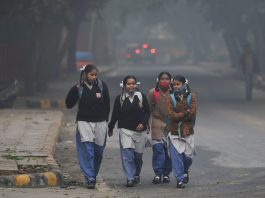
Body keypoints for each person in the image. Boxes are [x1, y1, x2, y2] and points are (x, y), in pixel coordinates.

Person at [65, 64, 110, 189]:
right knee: (87, 150)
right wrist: (73, 91)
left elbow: (107, 104)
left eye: (95, 75)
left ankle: (92, 174)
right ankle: (90, 177)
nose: (94, 77)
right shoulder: (79, 88)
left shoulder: (102, 86)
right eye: (91, 75)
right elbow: (68, 104)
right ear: (85, 74)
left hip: (100, 123)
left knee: (98, 153)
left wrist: (106, 121)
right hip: (84, 122)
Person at [108, 75, 150, 187]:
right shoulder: (120, 99)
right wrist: (111, 127)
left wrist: (143, 123)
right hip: (125, 130)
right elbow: (115, 114)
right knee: (127, 155)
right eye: (129, 84)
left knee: (137, 157)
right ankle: (130, 177)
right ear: (124, 85)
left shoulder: (141, 97)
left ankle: (136, 174)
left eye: (133, 83)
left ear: (136, 85)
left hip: (140, 131)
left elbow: (147, 111)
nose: (131, 86)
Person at [166, 75, 197, 189]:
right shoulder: (170, 98)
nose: (175, 87)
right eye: (174, 85)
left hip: (188, 131)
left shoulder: (192, 97)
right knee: (176, 156)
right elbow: (171, 115)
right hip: (174, 132)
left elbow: (192, 113)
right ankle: (179, 179)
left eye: (178, 84)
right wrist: (185, 113)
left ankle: (185, 170)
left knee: (188, 157)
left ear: (184, 84)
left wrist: (179, 115)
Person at [147, 72, 172, 184]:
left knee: (169, 151)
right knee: (158, 149)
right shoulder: (153, 93)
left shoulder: (174, 92)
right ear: (158, 80)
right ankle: (158, 173)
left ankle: (166, 174)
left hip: (171, 124)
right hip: (157, 123)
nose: (165, 81)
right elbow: (147, 110)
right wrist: (146, 124)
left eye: (167, 79)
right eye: (162, 79)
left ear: (170, 81)